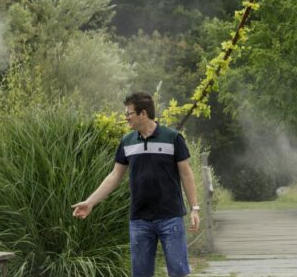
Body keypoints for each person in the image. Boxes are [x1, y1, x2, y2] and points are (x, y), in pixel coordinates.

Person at [72, 92, 201, 277]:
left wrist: (195, 207)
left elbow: (186, 173)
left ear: (143, 113)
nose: (126, 117)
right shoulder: (127, 141)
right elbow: (114, 176)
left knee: (179, 272)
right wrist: (90, 202)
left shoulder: (172, 138)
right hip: (139, 220)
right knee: (140, 274)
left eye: (129, 113)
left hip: (170, 218)